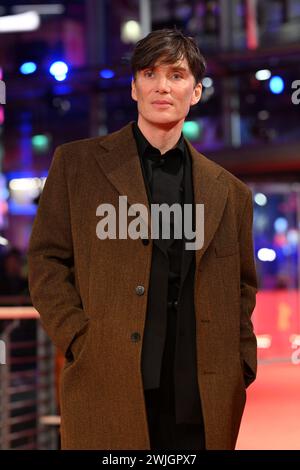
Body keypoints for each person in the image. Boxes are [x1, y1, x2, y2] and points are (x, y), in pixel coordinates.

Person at [27, 28, 258, 450]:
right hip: (108, 380)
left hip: (203, 395)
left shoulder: (230, 192)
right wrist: (79, 338)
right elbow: (46, 261)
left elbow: (243, 286)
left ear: (196, 91)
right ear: (134, 87)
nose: (162, 86)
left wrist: (240, 362)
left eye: (177, 74)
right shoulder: (76, 165)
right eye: (149, 74)